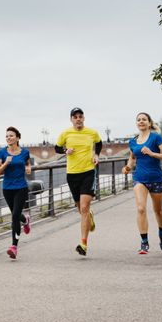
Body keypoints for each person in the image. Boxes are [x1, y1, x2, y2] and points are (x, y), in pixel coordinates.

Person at [122, 112, 162, 254]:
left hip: (156, 179)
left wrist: (152, 153)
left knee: (158, 210)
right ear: (136, 123)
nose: (141, 121)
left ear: (149, 123)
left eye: (144, 119)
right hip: (140, 179)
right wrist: (127, 167)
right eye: (138, 120)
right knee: (141, 209)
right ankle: (144, 242)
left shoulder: (156, 138)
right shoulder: (133, 141)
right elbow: (132, 159)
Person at [55, 107, 102, 256]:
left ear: (84, 118)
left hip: (88, 172)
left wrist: (96, 155)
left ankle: (83, 244)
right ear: (71, 119)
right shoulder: (65, 133)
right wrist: (65, 151)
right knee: (81, 209)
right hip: (72, 174)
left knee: (84, 207)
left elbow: (99, 143)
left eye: (80, 116)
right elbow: (56, 148)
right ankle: (90, 217)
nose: (78, 119)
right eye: (75, 117)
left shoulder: (92, 133)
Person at [0, 126, 32, 259]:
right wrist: (6, 163)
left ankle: (14, 247)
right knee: (16, 215)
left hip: (21, 187)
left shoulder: (25, 152)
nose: (8, 138)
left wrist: (28, 168)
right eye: (7, 136)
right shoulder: (2, 153)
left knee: (15, 216)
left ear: (17, 137)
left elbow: (27, 163)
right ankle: (26, 220)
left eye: (11, 136)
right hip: (7, 188)